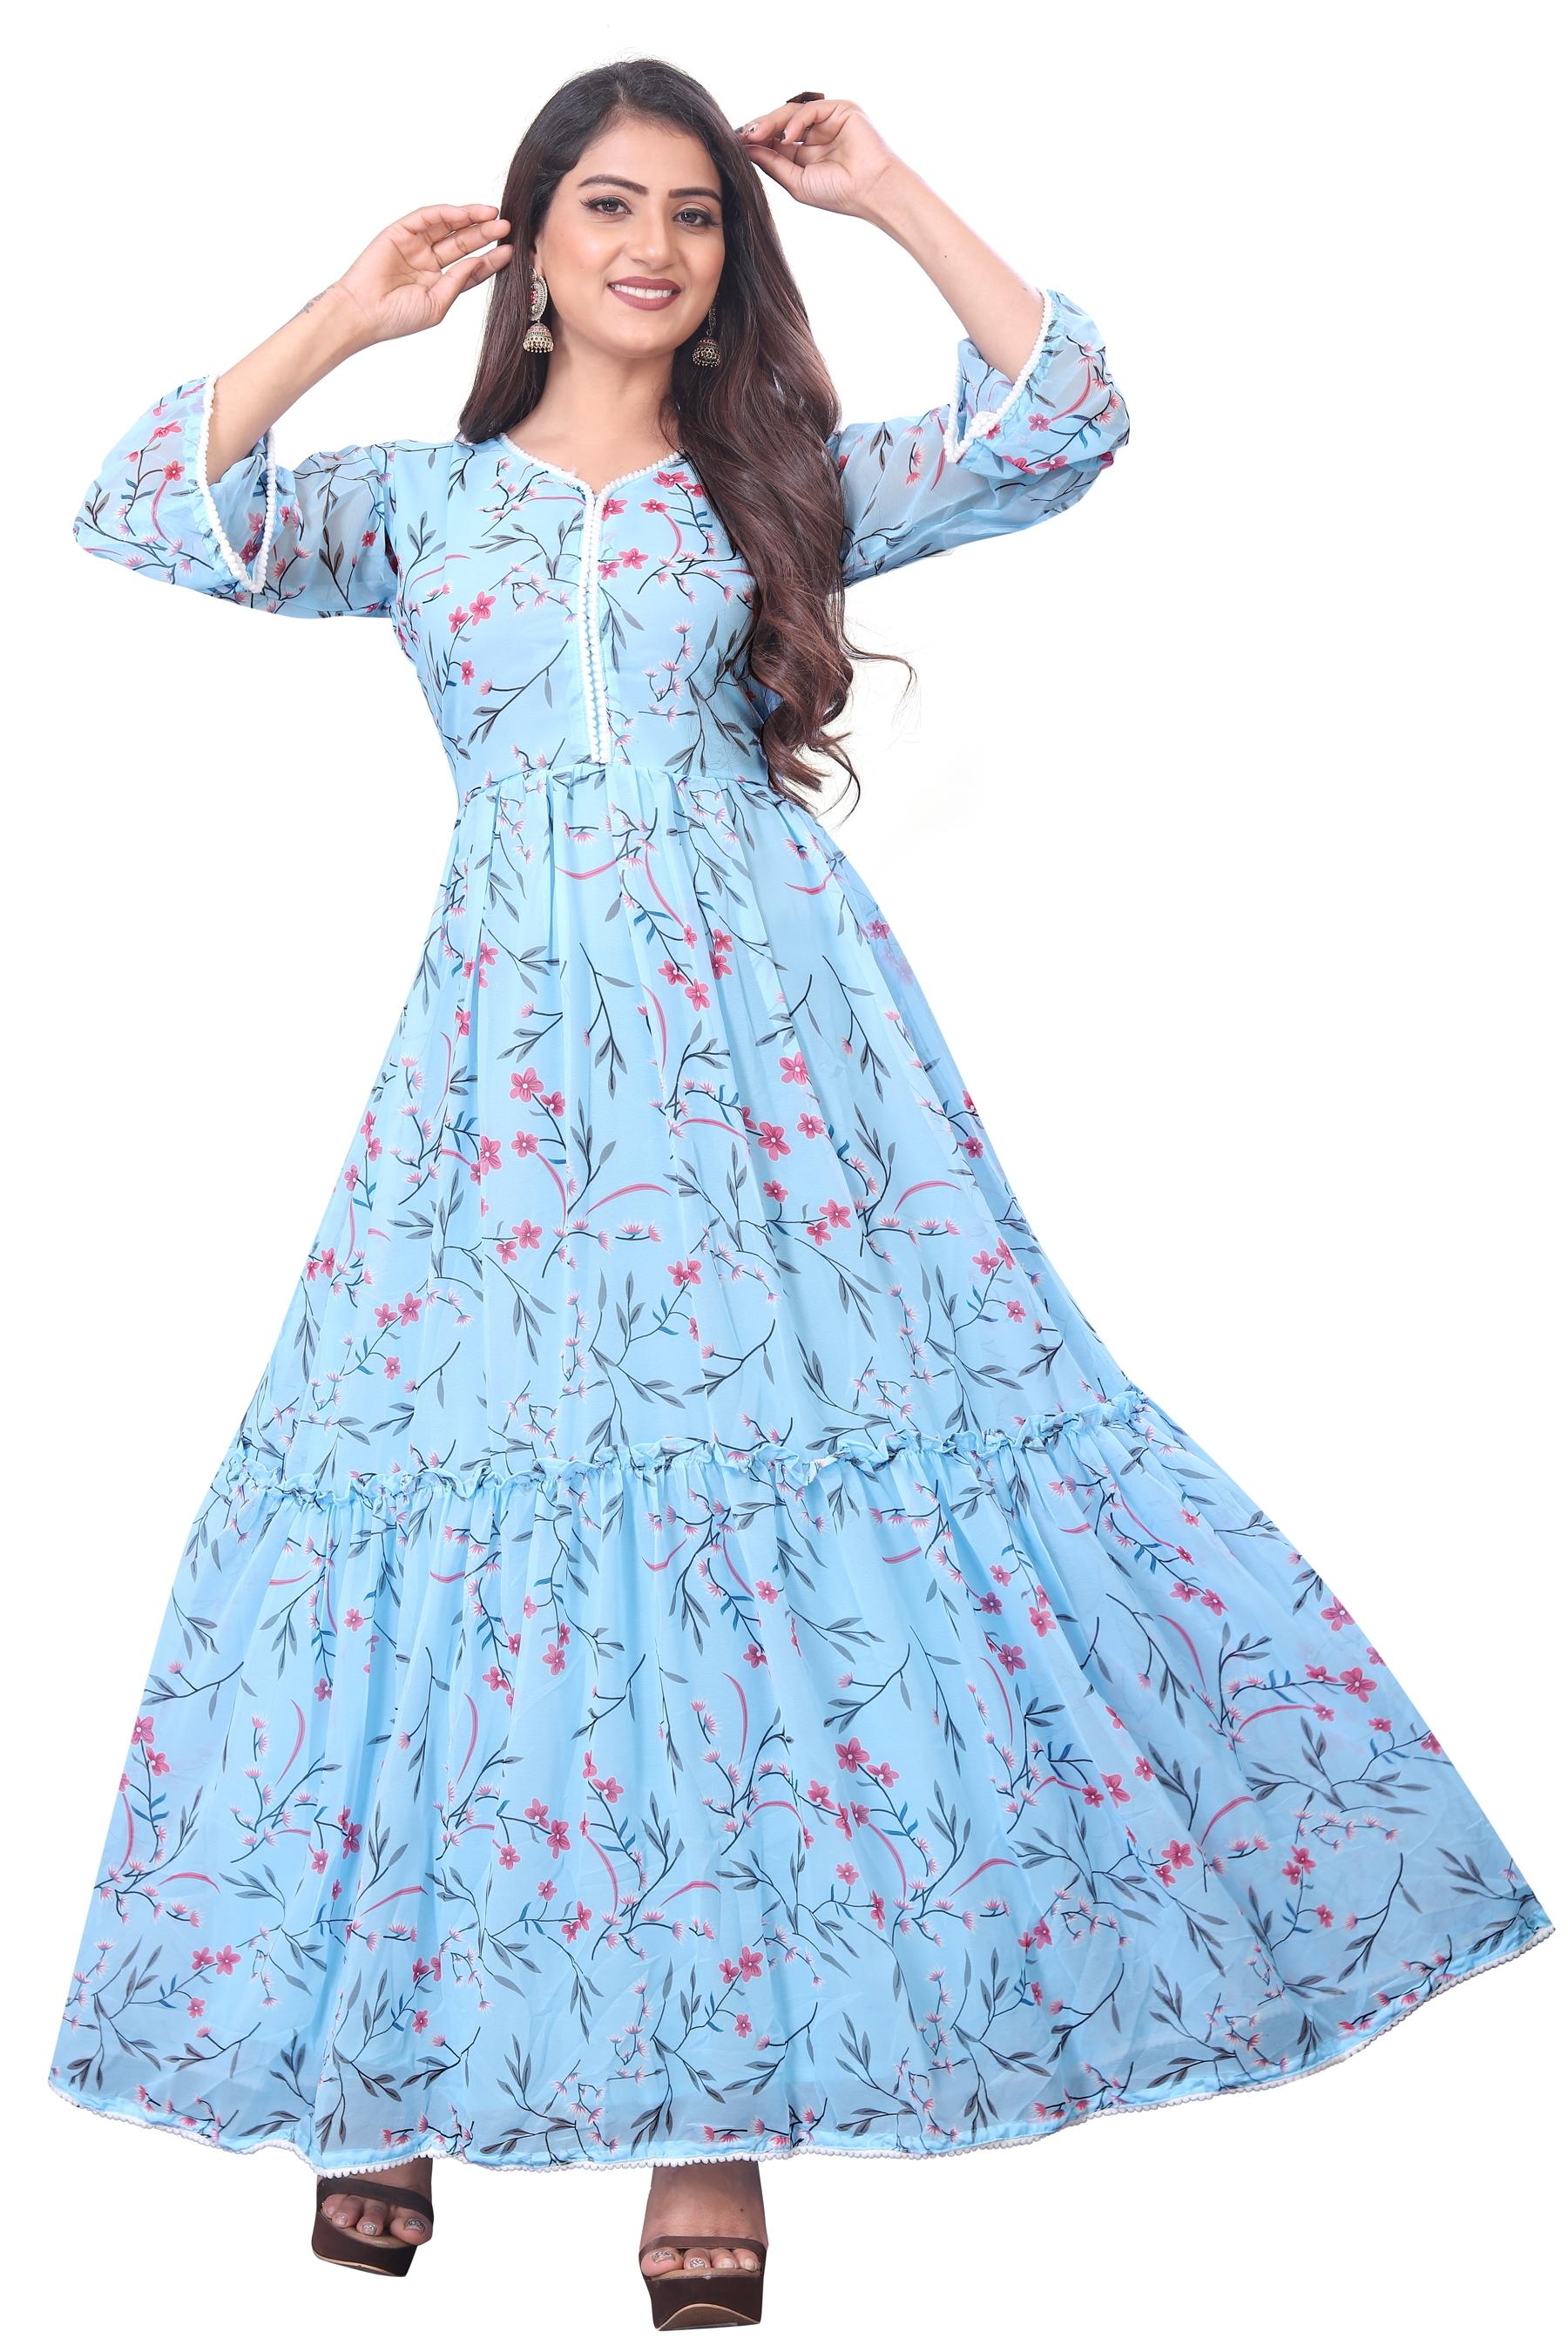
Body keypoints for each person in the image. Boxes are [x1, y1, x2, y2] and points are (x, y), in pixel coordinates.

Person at [51, 55, 1552, 2332]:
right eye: (607, 206)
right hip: (496, 1084)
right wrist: (342, 314)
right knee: (437, 1500)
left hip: (768, 1066)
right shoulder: (420, 510)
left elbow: (1064, 418)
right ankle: (379, 2064)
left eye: (691, 214)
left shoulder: (778, 488)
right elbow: (141, 504)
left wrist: (887, 193)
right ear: (531, 242)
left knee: (742, 1536)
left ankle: (707, 2124)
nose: (654, 245)